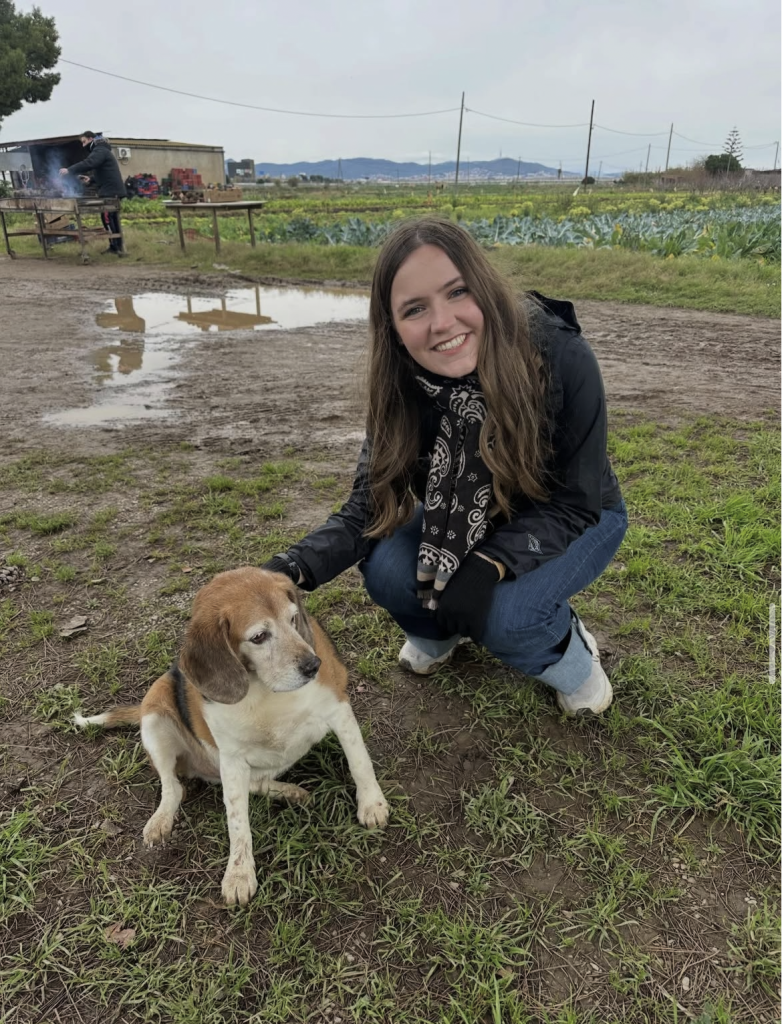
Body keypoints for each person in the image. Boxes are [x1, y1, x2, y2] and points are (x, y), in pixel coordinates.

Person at [264, 218, 627, 715]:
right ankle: (440, 635)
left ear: (485, 288)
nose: (442, 323)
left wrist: (489, 564)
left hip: (578, 514)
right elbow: (370, 508)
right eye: (415, 309)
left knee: (508, 616)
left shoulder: (559, 354)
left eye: (458, 292)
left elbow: (575, 501)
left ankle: (573, 658)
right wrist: (287, 570)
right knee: (388, 570)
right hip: (465, 519)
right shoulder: (400, 383)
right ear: (392, 327)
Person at [60, 132, 127, 255]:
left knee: (107, 218)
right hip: (112, 190)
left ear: (91, 139)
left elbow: (89, 163)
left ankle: (115, 247)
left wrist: (69, 170)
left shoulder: (99, 150)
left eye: (84, 142)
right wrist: (91, 180)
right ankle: (117, 246)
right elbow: (105, 173)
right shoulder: (103, 151)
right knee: (111, 218)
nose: (83, 145)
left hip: (110, 191)